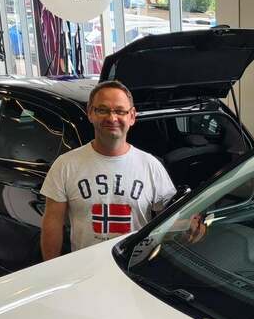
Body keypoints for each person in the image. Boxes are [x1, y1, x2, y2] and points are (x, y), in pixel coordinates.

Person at [39, 80, 178, 260]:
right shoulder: (65, 165)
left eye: (120, 111)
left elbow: (170, 223)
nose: (112, 118)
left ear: (132, 116)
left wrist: (192, 227)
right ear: (90, 113)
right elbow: (53, 223)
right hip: (85, 270)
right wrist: (51, 270)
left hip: (132, 271)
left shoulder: (150, 166)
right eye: (102, 110)